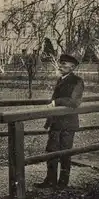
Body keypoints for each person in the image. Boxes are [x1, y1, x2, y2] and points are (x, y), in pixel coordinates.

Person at [34, 54, 84, 189]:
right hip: (56, 122)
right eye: (60, 63)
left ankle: (63, 183)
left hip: (68, 123)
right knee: (51, 151)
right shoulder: (60, 80)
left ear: (72, 67)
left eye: (64, 64)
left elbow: (74, 102)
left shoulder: (77, 81)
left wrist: (56, 102)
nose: (60, 66)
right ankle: (50, 180)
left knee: (65, 153)